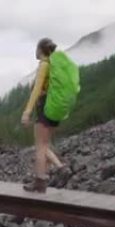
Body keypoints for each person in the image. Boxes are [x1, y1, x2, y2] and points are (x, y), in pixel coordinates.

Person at [21, 38, 78, 193]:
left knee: (40, 146)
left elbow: (36, 90)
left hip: (44, 107)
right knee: (45, 145)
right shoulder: (55, 65)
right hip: (55, 108)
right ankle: (57, 169)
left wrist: (27, 112)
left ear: (40, 49)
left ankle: (40, 182)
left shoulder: (44, 65)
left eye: (36, 48)